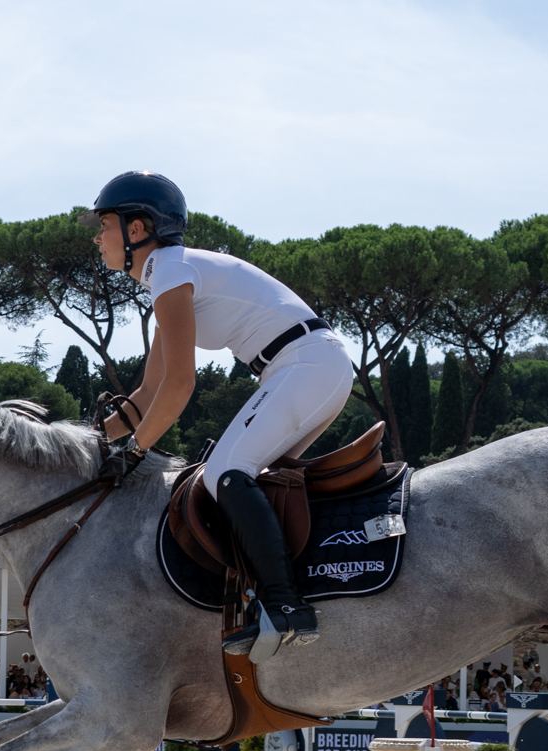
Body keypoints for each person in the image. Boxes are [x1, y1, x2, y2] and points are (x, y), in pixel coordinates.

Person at [83, 171, 350, 661]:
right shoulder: (168, 275)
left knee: (225, 471)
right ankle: (282, 595)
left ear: (137, 229)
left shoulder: (168, 270)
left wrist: (136, 450)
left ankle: (285, 607)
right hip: (305, 367)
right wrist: (91, 442)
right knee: (246, 478)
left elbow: (182, 384)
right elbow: (148, 393)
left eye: (105, 224)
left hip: (306, 364)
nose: (97, 237)